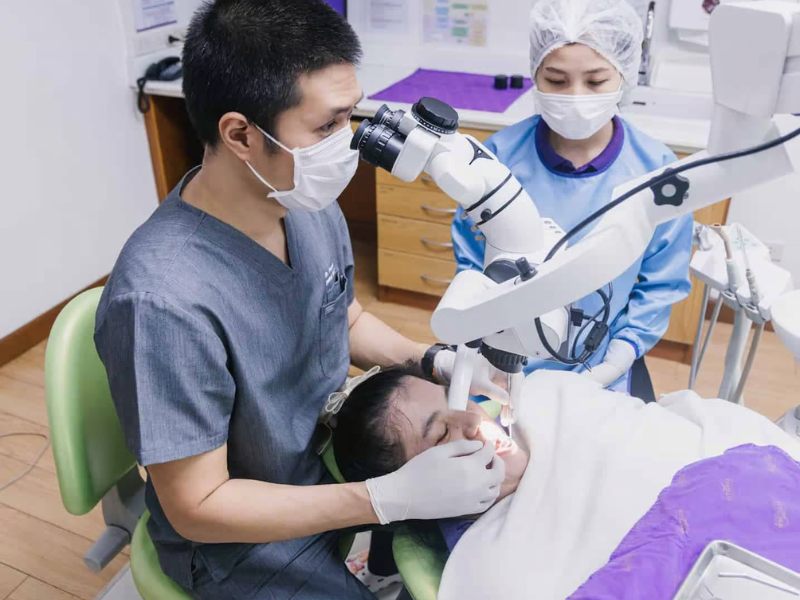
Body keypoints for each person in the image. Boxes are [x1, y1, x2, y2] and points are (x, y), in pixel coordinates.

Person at [93, 1, 506, 598]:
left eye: (349, 118)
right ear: (240, 134)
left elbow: (342, 315)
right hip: (236, 540)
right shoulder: (163, 302)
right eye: (327, 126)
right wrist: (383, 500)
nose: (350, 143)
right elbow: (198, 507)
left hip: (319, 463)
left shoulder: (302, 205)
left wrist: (428, 359)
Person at [330, 366, 800, 599]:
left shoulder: (546, 395)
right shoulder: (491, 567)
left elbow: (680, 420)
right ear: (419, 488)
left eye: (455, 398)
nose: (471, 421)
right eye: (440, 434)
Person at [451, 0, 694, 393]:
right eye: (557, 80)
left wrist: (618, 357)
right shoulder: (499, 158)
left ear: (624, 74)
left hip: (601, 364)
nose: (576, 96)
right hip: (502, 357)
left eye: (596, 81)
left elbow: (659, 284)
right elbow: (472, 262)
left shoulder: (655, 172)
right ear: (535, 74)